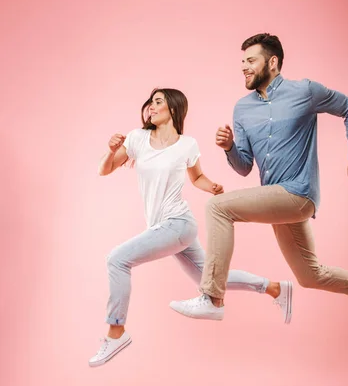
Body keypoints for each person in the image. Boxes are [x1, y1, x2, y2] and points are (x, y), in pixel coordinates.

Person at [169, 34, 348, 338]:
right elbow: (244, 167)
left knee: (217, 206)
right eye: (242, 63)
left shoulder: (304, 91)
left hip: (299, 193)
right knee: (310, 275)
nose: (244, 68)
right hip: (276, 199)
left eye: (251, 61)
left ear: (272, 62)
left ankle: (213, 298)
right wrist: (229, 148)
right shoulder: (242, 109)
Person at [89, 87, 292, 367]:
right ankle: (274, 288)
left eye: (158, 101)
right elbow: (104, 169)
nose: (151, 106)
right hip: (164, 228)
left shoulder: (188, 145)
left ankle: (116, 331)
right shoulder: (137, 139)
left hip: (178, 223)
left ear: (173, 108)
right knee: (206, 280)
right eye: (150, 101)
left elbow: (197, 177)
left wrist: (212, 188)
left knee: (117, 260)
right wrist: (110, 151)